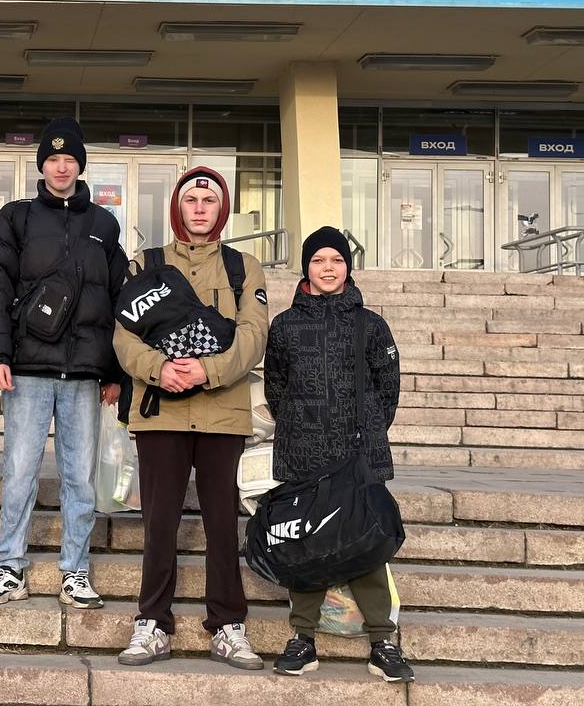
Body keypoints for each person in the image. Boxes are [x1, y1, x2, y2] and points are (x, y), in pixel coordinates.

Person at [113, 166, 268, 670]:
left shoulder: (244, 267)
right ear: (177, 208)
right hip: (161, 413)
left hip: (223, 413)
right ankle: (152, 622)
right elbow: (123, 334)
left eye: (209, 200)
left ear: (222, 210)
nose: (199, 208)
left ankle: (228, 625)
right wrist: (159, 369)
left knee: (223, 524)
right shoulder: (146, 264)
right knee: (159, 523)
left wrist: (208, 370)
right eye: (191, 200)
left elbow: (254, 335)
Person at [0, 117, 127, 609]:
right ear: (41, 165)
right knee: (19, 471)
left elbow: (119, 300)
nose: (61, 167)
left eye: (70, 159)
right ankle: (10, 567)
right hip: (28, 369)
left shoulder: (103, 225)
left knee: (79, 477)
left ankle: (75, 571)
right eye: (53, 159)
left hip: (83, 373)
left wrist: (116, 373)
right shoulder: (16, 218)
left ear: (81, 166)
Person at [265, 226, 413, 683]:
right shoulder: (284, 325)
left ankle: (382, 642)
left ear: (348, 267)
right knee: (306, 546)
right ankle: (302, 639)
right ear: (305, 268)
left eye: (337, 260)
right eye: (318, 260)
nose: (328, 268)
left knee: (365, 544)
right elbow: (275, 386)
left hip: (357, 453)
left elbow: (388, 388)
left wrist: (368, 430)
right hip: (304, 453)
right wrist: (300, 424)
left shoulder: (371, 325)